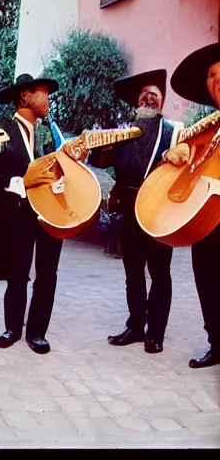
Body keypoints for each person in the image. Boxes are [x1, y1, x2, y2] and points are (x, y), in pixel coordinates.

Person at [88, 69, 179, 354]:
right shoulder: (124, 132)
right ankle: (136, 327)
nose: (149, 99)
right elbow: (99, 161)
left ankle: (156, 333)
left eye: (155, 95)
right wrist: (100, 142)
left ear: (161, 102)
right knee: (133, 273)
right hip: (128, 211)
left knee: (160, 273)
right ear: (137, 103)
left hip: (160, 213)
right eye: (145, 95)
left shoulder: (174, 133)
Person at [0, 73, 67, 355]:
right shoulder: (2, 128)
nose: (48, 100)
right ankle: (12, 328)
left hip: (50, 212)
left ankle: (37, 333)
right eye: (42, 94)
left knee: (48, 273)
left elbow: (62, 166)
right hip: (18, 212)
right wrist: (24, 183)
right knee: (17, 273)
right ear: (25, 97)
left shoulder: (50, 131)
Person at [162, 42, 220, 368]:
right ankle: (217, 342)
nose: (217, 81)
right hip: (207, 219)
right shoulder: (206, 128)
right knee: (208, 280)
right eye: (211, 76)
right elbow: (182, 157)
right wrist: (178, 154)